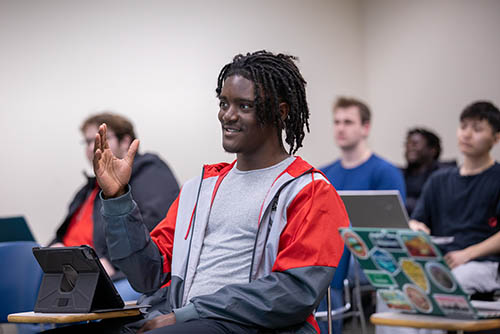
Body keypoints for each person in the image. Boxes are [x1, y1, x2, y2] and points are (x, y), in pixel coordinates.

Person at [59, 51, 350, 334]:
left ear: (281, 111)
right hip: (185, 317)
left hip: (250, 325)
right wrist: (117, 198)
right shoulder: (200, 189)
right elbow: (146, 273)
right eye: (224, 104)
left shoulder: (309, 191)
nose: (228, 115)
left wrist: (187, 315)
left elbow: (292, 294)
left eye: (244, 106)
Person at [50, 112, 180, 300]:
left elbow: (156, 226)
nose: (92, 147)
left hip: (121, 274)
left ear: (125, 141)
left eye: (102, 139)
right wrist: (53, 249)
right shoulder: (88, 189)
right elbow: (62, 232)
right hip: (73, 270)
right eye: (87, 142)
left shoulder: (149, 171)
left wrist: (109, 262)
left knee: (80, 302)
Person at [319, 96, 405, 334]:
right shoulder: (323, 173)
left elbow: (391, 229)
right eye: (336, 122)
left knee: (326, 267)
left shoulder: (385, 172)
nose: (340, 128)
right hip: (330, 253)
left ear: (365, 127)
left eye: (348, 122)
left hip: (366, 256)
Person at [410, 101, 500, 295]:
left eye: (477, 129)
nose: (466, 134)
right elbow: (417, 220)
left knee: (449, 284)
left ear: (496, 138)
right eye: (463, 126)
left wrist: (467, 255)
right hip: (440, 261)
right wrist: (416, 228)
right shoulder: (438, 180)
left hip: (485, 265)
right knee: (399, 286)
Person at [402, 128, 455, 216]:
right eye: (407, 144)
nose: (410, 148)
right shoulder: (400, 174)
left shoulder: (445, 175)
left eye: (415, 144)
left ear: (433, 150)